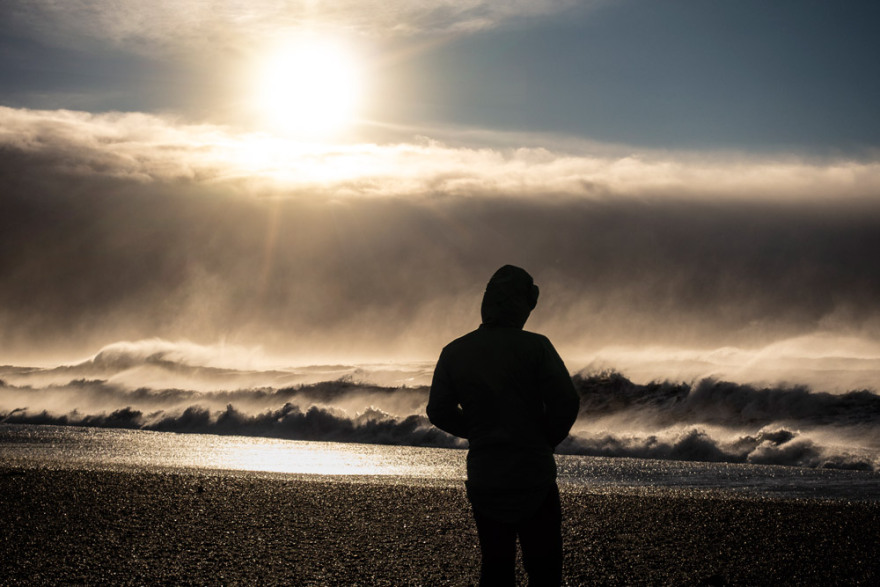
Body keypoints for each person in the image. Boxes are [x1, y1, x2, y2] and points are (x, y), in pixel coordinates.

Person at [427, 265, 580, 586]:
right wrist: (544, 439)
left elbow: (438, 410)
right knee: (544, 569)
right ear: (521, 305)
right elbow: (566, 402)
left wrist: (481, 431)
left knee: (496, 568)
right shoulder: (537, 347)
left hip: (486, 475)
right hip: (533, 474)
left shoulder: (455, 352)